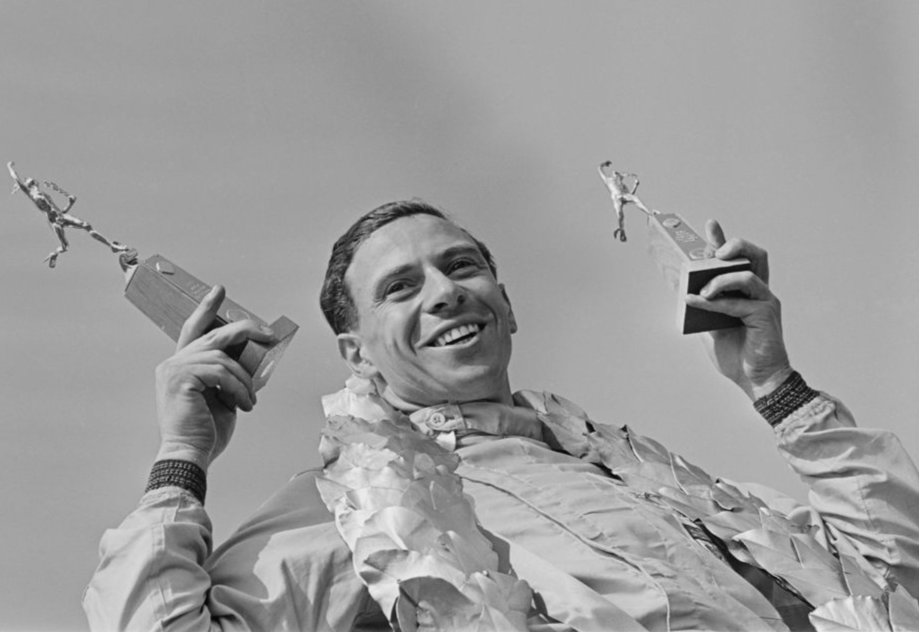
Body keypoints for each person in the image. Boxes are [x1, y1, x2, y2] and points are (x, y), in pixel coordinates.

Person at [83, 200, 919, 631]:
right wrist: (180, 457)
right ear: (355, 353)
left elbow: (899, 575)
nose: (445, 291)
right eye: (401, 288)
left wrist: (771, 384)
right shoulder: (356, 507)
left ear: (505, 304)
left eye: (461, 267)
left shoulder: (651, 482)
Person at [7, 162, 129, 268]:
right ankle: (55, 253)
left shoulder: (45, 195)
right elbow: (16, 178)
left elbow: (61, 211)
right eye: (27, 179)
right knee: (65, 247)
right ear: (26, 184)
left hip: (61, 216)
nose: (29, 178)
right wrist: (9, 166)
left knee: (86, 225)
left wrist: (70, 203)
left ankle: (111, 246)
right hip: (54, 222)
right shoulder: (30, 193)